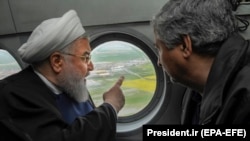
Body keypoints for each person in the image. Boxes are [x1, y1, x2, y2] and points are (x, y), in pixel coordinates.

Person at [0, 9, 125, 141]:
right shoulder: (13, 97)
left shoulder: (70, 83)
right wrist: (111, 106)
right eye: (85, 57)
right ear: (57, 62)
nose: (91, 66)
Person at [152, 0, 250, 124]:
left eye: (159, 48)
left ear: (185, 45)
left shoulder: (245, 100)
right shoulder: (195, 92)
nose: (159, 62)